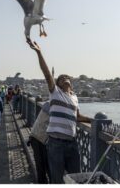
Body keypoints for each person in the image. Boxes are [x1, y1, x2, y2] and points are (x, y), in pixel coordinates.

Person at [27, 39, 92, 184]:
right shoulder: (55, 93)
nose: (64, 78)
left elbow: (77, 117)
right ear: (57, 84)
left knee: (76, 178)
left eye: (67, 77)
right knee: (56, 179)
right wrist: (39, 52)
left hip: (72, 143)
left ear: (71, 83)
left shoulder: (74, 97)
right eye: (61, 78)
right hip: (56, 143)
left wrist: (93, 121)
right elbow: (47, 73)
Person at [28, 101, 51, 184]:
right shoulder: (51, 104)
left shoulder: (48, 103)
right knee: (44, 166)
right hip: (40, 138)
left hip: (36, 136)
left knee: (41, 166)